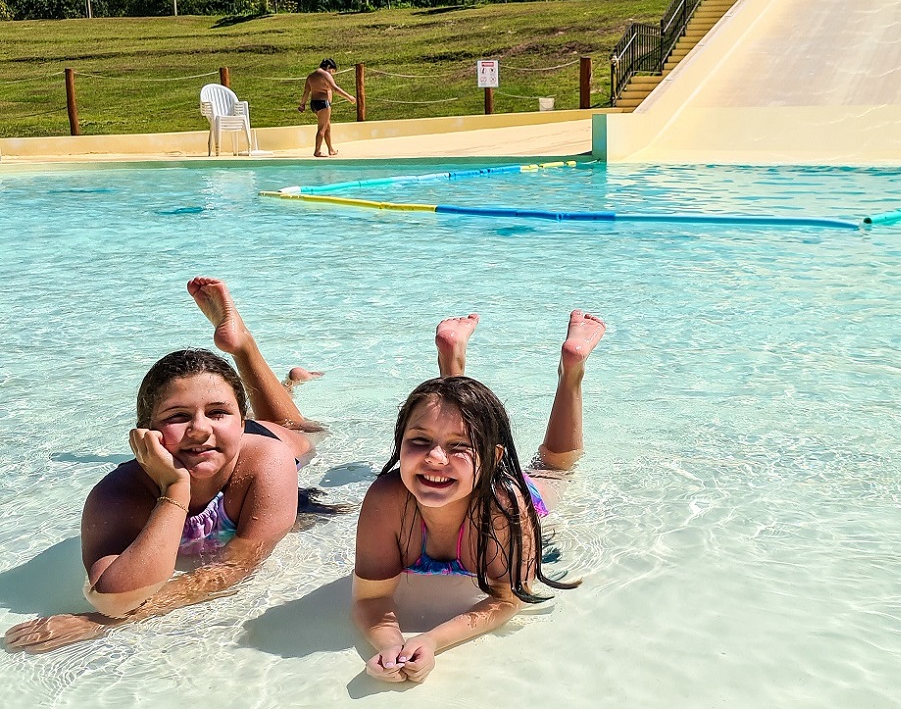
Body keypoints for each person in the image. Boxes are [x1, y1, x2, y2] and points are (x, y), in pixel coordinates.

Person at [5, 277, 327, 653]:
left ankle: (247, 349)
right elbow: (112, 596)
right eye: (177, 416)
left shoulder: (265, 462)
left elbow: (235, 568)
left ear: (240, 425)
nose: (199, 430)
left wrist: (102, 624)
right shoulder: (117, 495)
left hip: (268, 443)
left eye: (219, 413)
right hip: (225, 440)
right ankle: (279, 380)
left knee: (304, 433)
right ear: (144, 433)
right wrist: (174, 489)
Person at [352, 309, 606, 684]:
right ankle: (451, 361)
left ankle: (572, 371)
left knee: (555, 466)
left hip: (502, 491)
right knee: (451, 413)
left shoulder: (507, 507)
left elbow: (508, 598)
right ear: (400, 446)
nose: (434, 458)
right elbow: (370, 599)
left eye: (459, 447)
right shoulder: (387, 499)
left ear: (494, 458)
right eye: (418, 441)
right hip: (469, 478)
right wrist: (390, 646)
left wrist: (432, 640)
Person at [298, 58, 356, 157]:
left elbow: (306, 92)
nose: (332, 74)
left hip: (314, 104)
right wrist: (349, 97)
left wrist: (302, 104)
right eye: (332, 71)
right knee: (322, 128)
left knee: (327, 127)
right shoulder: (325, 74)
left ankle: (331, 149)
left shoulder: (311, 76)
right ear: (328, 67)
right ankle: (317, 151)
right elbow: (335, 88)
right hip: (323, 104)